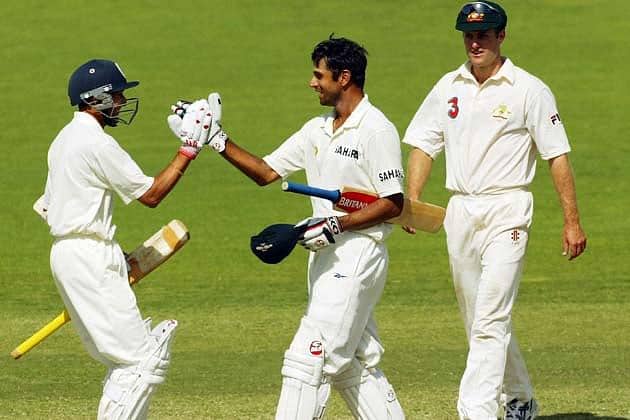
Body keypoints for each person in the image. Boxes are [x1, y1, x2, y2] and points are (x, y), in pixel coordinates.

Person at [176, 36, 406, 419]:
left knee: (307, 360)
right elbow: (266, 172)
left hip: (358, 255)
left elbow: (392, 203)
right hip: (325, 256)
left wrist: (338, 224)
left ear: (344, 77)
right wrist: (216, 138)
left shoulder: (376, 130)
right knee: (354, 364)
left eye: (319, 75)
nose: (312, 83)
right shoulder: (317, 129)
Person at [401, 2, 587, 419]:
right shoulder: (448, 86)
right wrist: (413, 201)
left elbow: (557, 156)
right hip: (461, 212)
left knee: (489, 319)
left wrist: (572, 222)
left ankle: (477, 411)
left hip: (508, 210)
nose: (475, 43)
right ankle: (520, 398)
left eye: (483, 35)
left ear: (501, 36)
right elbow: (423, 144)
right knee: (480, 319)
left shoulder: (529, 89)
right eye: (469, 35)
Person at [39, 58, 212, 419]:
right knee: (141, 361)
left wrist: (107, 257)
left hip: (68, 256)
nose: (121, 101)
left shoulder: (62, 140)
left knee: (125, 363)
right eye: (116, 94)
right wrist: (189, 149)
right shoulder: (96, 143)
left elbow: (47, 207)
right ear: (96, 98)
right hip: (89, 258)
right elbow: (151, 195)